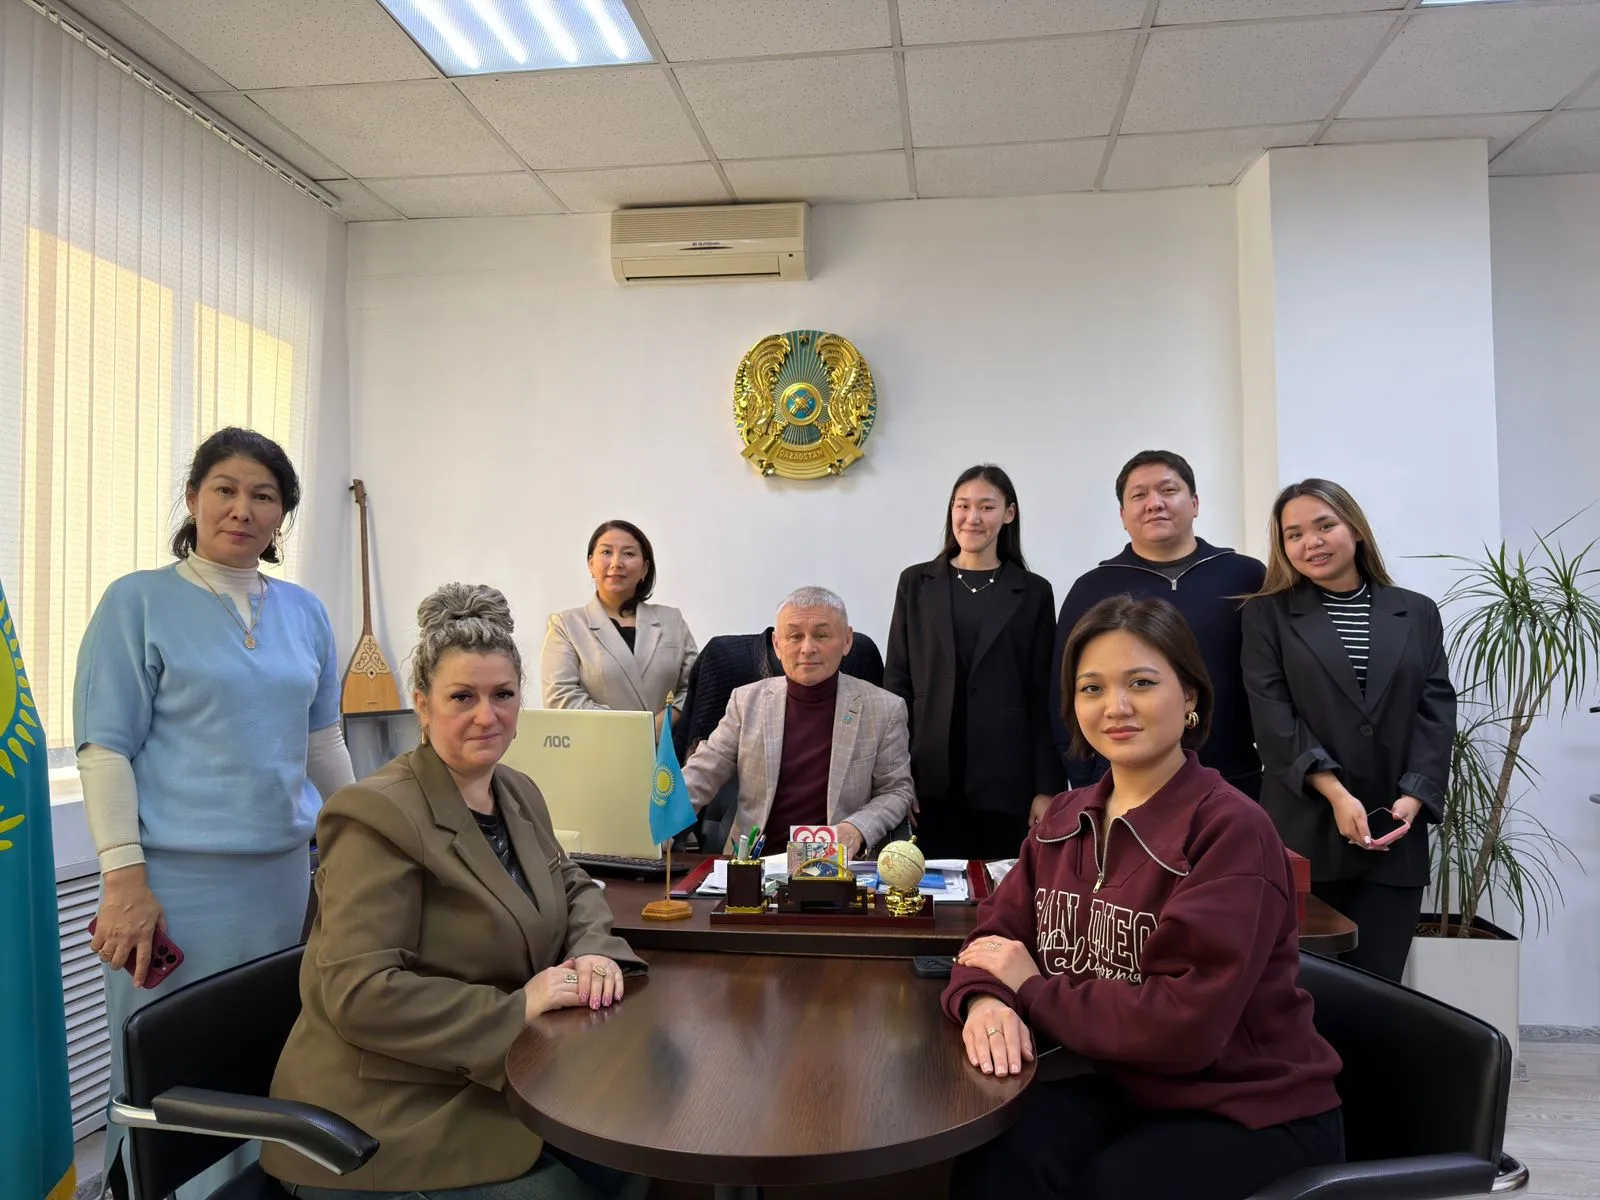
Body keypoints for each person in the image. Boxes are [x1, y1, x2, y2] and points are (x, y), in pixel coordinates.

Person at [943, 595, 1342, 1199]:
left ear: (1190, 697)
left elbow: (1184, 1028)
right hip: (1127, 1083)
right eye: (1092, 688)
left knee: (1108, 1186)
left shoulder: (1231, 830)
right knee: (994, 1153)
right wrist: (984, 1001)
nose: (1116, 707)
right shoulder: (1066, 817)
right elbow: (994, 939)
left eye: (1142, 683)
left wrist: (1030, 990)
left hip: (1247, 1105)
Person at [264, 584, 646, 1199]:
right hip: (385, 1114)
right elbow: (361, 994)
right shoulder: (375, 814)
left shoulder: (516, 790)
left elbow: (571, 883)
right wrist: (518, 1006)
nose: (486, 716)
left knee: (638, 1147)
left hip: (498, 1075)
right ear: (422, 705)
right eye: (462, 697)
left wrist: (594, 951)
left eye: (503, 695)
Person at [73, 427, 354, 1195]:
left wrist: (366, 833)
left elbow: (323, 742)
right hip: (172, 889)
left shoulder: (306, 612)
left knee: (259, 1057)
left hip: (279, 884)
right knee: (165, 1072)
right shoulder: (137, 602)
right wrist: (124, 883)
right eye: (225, 489)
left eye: (264, 495)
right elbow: (104, 750)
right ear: (193, 497)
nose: (242, 508)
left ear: (281, 515)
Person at [1241, 479, 1455, 982]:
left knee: (1380, 987)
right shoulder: (1266, 614)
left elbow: (1435, 711)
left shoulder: (1417, 611)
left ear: (1355, 529)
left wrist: (1414, 797)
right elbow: (1272, 717)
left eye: (1324, 526)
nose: (1311, 542)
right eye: (1294, 534)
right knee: (1300, 988)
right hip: (1304, 827)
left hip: (1394, 828)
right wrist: (1337, 795)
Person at [1049, 450, 1265, 798]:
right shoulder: (1092, 588)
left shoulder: (1246, 576)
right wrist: (1088, 782)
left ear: (1194, 503)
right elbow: (1064, 692)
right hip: (1123, 783)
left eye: (1168, 490)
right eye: (1139, 495)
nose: (1154, 504)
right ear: (1122, 515)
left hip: (1234, 777)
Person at [885, 464, 1063, 859]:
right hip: (927, 779)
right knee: (927, 889)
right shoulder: (916, 583)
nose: (972, 518)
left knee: (1001, 887)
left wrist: (1047, 788)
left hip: (1006, 781)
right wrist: (894, 782)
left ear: (1009, 513)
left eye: (986, 507)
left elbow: (1044, 695)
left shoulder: (1033, 592)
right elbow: (897, 685)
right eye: (962, 506)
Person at [682, 586, 915, 861]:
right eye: (795, 636)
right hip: (752, 867)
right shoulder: (746, 702)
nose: (808, 648)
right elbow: (703, 772)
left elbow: (896, 790)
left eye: (821, 635)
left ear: (847, 640)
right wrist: (657, 821)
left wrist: (856, 829)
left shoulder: (884, 708)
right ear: (777, 644)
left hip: (836, 866)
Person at [541, 519, 697, 737]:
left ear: (645, 568)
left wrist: (662, 724)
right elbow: (561, 697)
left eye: (628, 553)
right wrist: (630, 732)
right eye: (606, 552)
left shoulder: (672, 620)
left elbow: (695, 686)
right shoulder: (566, 625)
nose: (616, 562)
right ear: (591, 564)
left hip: (666, 747)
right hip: (599, 746)